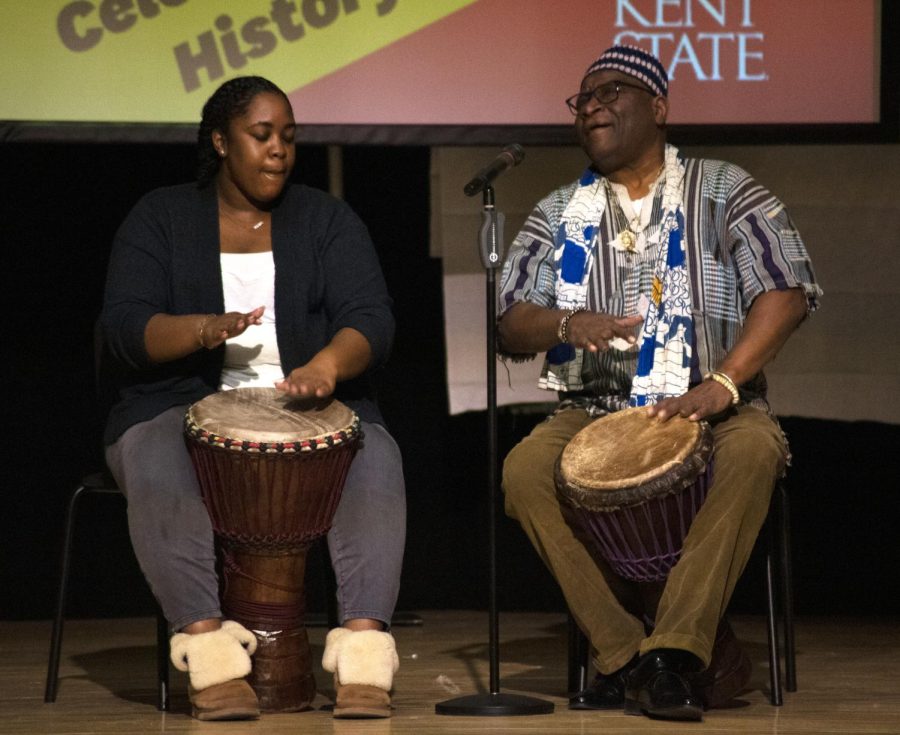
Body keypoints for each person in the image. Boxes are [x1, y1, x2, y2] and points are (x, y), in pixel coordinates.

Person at [498, 45, 821, 722]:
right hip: (592, 411)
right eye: (582, 99)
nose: (591, 107)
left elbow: (787, 291)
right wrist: (567, 319)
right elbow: (511, 322)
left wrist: (726, 383)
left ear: (660, 108)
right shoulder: (558, 210)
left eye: (610, 92)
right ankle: (625, 652)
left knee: (756, 450)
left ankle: (676, 650)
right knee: (525, 470)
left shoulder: (725, 188)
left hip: (714, 404)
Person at [100, 76, 405, 721]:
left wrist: (325, 366)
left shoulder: (325, 219)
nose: (279, 151)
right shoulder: (161, 216)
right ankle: (210, 660)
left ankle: (365, 661)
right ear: (220, 140)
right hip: (176, 404)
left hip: (307, 410)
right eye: (261, 135)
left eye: (289, 138)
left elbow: (371, 319)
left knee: (374, 455)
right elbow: (126, 328)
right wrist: (205, 329)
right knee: (156, 459)